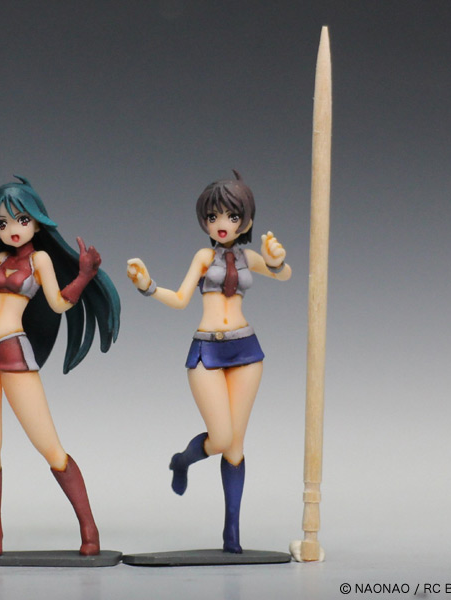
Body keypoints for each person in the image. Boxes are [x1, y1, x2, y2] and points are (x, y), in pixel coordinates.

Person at [0, 176, 120, 556]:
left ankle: (88, 527)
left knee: (49, 446)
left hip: (13, 354)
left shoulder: (39, 260)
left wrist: (84, 276)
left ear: (37, 222)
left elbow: (58, 304)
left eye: (22, 220)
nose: (12, 229)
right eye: (2, 223)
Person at [127, 170, 290, 553]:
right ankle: (182, 460)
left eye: (232, 216)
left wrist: (277, 262)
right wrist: (148, 287)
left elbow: (285, 276)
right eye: (213, 216)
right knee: (220, 437)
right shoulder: (204, 257)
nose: (222, 224)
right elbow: (181, 299)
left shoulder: (249, 257)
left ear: (246, 220)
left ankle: (232, 534)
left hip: (246, 350)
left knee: (235, 446)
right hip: (208, 350)